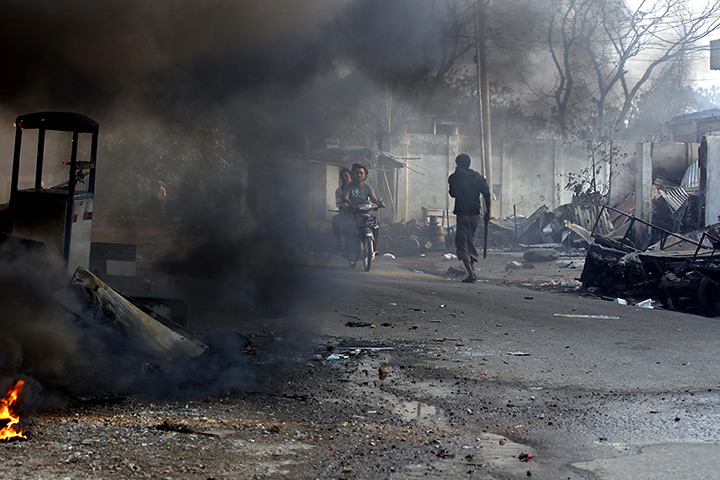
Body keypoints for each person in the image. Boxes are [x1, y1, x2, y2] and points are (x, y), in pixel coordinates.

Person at [448, 153, 491, 283]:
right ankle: (471, 269)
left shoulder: (454, 177)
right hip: (475, 215)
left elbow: (453, 194)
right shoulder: (477, 177)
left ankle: (471, 274)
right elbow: (487, 195)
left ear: (457, 164)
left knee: (461, 243)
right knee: (470, 240)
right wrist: (488, 212)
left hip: (462, 214)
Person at [340, 163, 385, 264]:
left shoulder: (368, 187)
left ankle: (374, 249)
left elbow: (374, 198)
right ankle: (348, 252)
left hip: (364, 214)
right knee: (349, 228)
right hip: (352, 213)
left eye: (361, 173)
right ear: (352, 174)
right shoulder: (349, 187)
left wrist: (379, 203)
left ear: (365, 175)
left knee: (376, 224)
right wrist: (346, 202)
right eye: (356, 173)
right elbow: (345, 197)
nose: (359, 175)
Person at [332, 168, 352, 252]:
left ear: (350, 177)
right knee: (335, 221)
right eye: (343, 177)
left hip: (358, 213)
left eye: (346, 176)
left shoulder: (357, 188)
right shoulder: (339, 191)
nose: (345, 178)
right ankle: (339, 243)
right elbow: (339, 205)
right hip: (345, 213)